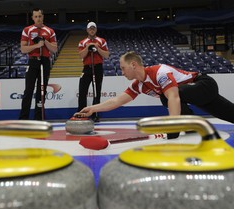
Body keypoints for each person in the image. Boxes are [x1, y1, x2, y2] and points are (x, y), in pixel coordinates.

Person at [75, 51, 234, 139]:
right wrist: (92, 108)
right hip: (195, 95)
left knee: (167, 96)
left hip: (204, 84)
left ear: (133, 64)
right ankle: (191, 125)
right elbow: (116, 101)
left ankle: (184, 125)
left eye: (123, 68)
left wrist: (173, 128)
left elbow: (174, 97)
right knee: (229, 113)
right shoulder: (138, 85)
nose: (122, 72)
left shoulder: (160, 72)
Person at [19, 8, 57, 120]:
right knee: (28, 90)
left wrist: (44, 42)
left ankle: (39, 118)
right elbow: (23, 49)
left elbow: (54, 49)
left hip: (45, 61)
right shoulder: (27, 30)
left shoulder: (50, 31)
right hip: (33, 61)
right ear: (32, 18)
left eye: (40, 16)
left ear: (43, 17)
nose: (38, 18)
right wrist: (36, 46)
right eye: (36, 16)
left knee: (42, 90)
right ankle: (23, 118)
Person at [77, 21, 109, 122]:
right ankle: (82, 114)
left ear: (96, 30)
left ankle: (95, 114)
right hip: (87, 68)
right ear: (87, 30)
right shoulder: (82, 42)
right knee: (82, 92)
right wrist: (88, 47)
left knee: (97, 92)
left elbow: (106, 55)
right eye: (90, 28)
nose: (92, 30)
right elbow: (81, 55)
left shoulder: (101, 41)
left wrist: (97, 48)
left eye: (93, 28)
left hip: (98, 67)